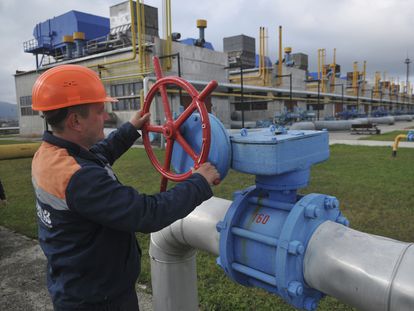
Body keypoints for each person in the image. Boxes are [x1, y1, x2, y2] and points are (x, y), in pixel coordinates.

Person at [31, 64, 220, 311]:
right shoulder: (79, 179)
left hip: (76, 284)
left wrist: (131, 129)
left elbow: (99, 155)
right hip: (99, 300)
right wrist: (198, 183)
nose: (106, 117)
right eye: (99, 111)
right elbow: (146, 213)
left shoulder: (50, 155)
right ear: (75, 121)